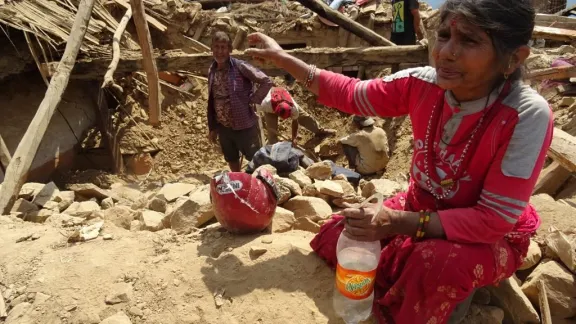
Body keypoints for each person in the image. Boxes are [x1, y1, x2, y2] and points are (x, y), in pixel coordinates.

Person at [245, 0, 553, 322]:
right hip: (420, 206)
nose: (446, 52)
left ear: (513, 58)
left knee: (433, 264)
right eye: (445, 35)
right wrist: (283, 59)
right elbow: (351, 94)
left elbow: (493, 220)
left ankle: (451, 297)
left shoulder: (524, 114)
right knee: (342, 234)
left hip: (485, 233)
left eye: (470, 41)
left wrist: (396, 221)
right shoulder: (422, 83)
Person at [207, 31, 273, 172]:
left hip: (244, 126)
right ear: (212, 48)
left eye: (223, 47)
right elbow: (211, 100)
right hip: (223, 128)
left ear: (230, 49)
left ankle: (261, 186)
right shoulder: (211, 71)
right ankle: (239, 186)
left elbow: (266, 81)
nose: (220, 51)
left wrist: (253, 100)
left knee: (256, 160)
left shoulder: (240, 66)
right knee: (231, 158)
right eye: (216, 47)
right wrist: (212, 127)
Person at [258, 87, 336, 145]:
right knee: (272, 133)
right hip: (270, 101)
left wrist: (294, 138)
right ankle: (273, 150)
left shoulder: (293, 108)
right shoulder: (265, 105)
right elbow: (257, 111)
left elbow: (295, 122)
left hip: (282, 94)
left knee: (304, 117)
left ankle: (320, 131)